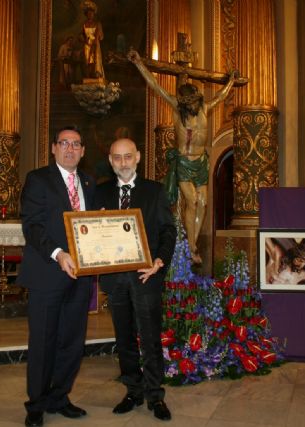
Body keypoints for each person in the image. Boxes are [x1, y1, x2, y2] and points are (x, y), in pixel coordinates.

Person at [17, 126, 96, 427]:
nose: (70, 149)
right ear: (53, 148)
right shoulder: (38, 180)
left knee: (72, 341)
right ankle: (36, 404)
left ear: (83, 151)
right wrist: (58, 253)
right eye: (64, 143)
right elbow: (32, 226)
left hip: (81, 276)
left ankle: (60, 397)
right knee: (43, 341)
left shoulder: (88, 182)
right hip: (47, 274)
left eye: (76, 144)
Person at [128, 49, 236, 264]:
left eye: (195, 102)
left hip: (201, 162)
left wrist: (231, 81)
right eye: (191, 104)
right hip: (185, 162)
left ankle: (192, 244)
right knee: (192, 200)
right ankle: (193, 247)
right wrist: (140, 64)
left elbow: (221, 96)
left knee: (203, 202)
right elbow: (156, 86)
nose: (194, 106)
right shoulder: (177, 111)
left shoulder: (205, 108)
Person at [96, 138, 177, 421]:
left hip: (146, 276)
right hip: (115, 278)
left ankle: (155, 395)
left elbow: (168, 230)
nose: (123, 163)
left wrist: (159, 261)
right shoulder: (101, 192)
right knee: (124, 337)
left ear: (138, 157)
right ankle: (133, 390)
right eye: (117, 158)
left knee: (151, 337)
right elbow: (90, 232)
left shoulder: (154, 191)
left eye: (128, 156)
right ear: (110, 160)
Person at [81, 0, 104, 80]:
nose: (90, 15)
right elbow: (81, 34)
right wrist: (82, 38)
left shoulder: (97, 23)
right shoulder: (84, 24)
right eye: (88, 13)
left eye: (92, 13)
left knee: (95, 59)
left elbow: (100, 36)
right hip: (87, 45)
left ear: (94, 14)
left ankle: (96, 74)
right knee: (87, 60)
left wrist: (95, 40)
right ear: (86, 14)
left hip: (95, 44)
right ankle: (88, 75)